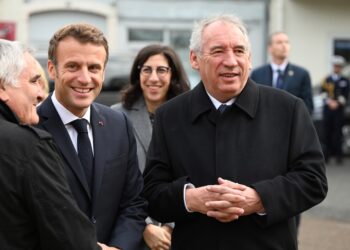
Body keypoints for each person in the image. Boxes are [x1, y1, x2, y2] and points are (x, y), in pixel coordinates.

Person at [142, 14, 327, 250]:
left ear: (249, 59)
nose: (231, 61)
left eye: (239, 51)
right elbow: (151, 193)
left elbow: (314, 181)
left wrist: (259, 199)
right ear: (194, 59)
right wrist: (189, 199)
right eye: (218, 51)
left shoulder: (288, 109)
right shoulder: (170, 115)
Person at [36, 24, 147, 250]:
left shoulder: (118, 124)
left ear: (103, 72)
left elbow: (133, 202)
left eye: (94, 67)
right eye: (73, 66)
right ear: (51, 68)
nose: (85, 78)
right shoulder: (29, 127)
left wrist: (118, 247)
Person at [0, 39, 101, 249]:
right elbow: (71, 239)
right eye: (34, 81)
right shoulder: (28, 146)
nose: (41, 93)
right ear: (2, 88)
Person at [112, 44, 190, 249]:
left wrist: (169, 227)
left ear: (173, 75)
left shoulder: (189, 117)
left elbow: (192, 175)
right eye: (146, 70)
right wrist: (144, 227)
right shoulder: (116, 116)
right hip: (131, 231)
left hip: (179, 231)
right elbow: (115, 182)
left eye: (161, 70)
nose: (153, 78)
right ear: (137, 73)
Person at [250, 31, 314, 114]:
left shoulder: (302, 74)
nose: (284, 46)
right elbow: (251, 102)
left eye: (287, 42)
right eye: (279, 42)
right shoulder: (257, 74)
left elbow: (308, 107)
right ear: (270, 48)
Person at [321, 55, 350, 164]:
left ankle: (339, 157)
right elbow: (323, 94)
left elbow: (346, 95)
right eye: (335, 66)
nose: (337, 68)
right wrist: (330, 102)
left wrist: (337, 103)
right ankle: (326, 157)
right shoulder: (326, 79)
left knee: (338, 133)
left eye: (339, 66)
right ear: (333, 67)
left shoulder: (345, 80)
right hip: (328, 110)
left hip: (339, 110)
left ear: (341, 67)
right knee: (326, 133)